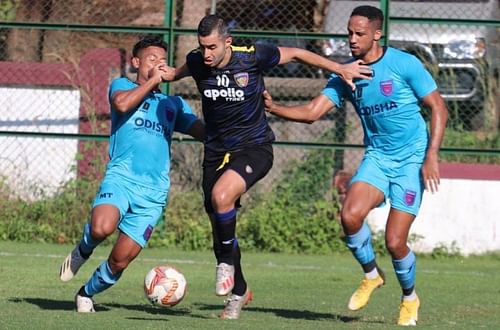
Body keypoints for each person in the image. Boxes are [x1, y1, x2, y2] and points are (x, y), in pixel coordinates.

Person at [171, 14, 372, 320]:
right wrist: (168, 73)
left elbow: (299, 53)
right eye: (202, 47)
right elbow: (181, 70)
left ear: (228, 42)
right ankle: (238, 291)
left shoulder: (253, 56)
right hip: (215, 151)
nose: (206, 53)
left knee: (222, 197)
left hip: (254, 148)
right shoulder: (198, 61)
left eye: (212, 47)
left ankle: (224, 265)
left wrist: (340, 68)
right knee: (219, 228)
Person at [263, 5, 448, 326]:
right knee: (349, 215)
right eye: (349, 32)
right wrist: (274, 107)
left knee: (395, 242)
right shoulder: (345, 73)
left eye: (359, 33)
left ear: (377, 34)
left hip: (411, 161)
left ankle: (409, 298)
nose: (351, 39)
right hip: (378, 158)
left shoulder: (404, 64)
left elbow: (439, 108)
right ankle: (372, 275)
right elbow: (312, 112)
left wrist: (432, 153)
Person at [59, 35, 205, 312]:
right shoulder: (122, 86)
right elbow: (122, 105)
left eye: (163, 60)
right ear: (137, 62)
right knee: (102, 227)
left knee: (120, 260)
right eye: (152, 59)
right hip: (122, 179)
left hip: (152, 194)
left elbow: (203, 132)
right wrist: (152, 81)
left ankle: (86, 293)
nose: (159, 64)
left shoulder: (172, 104)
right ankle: (84, 249)